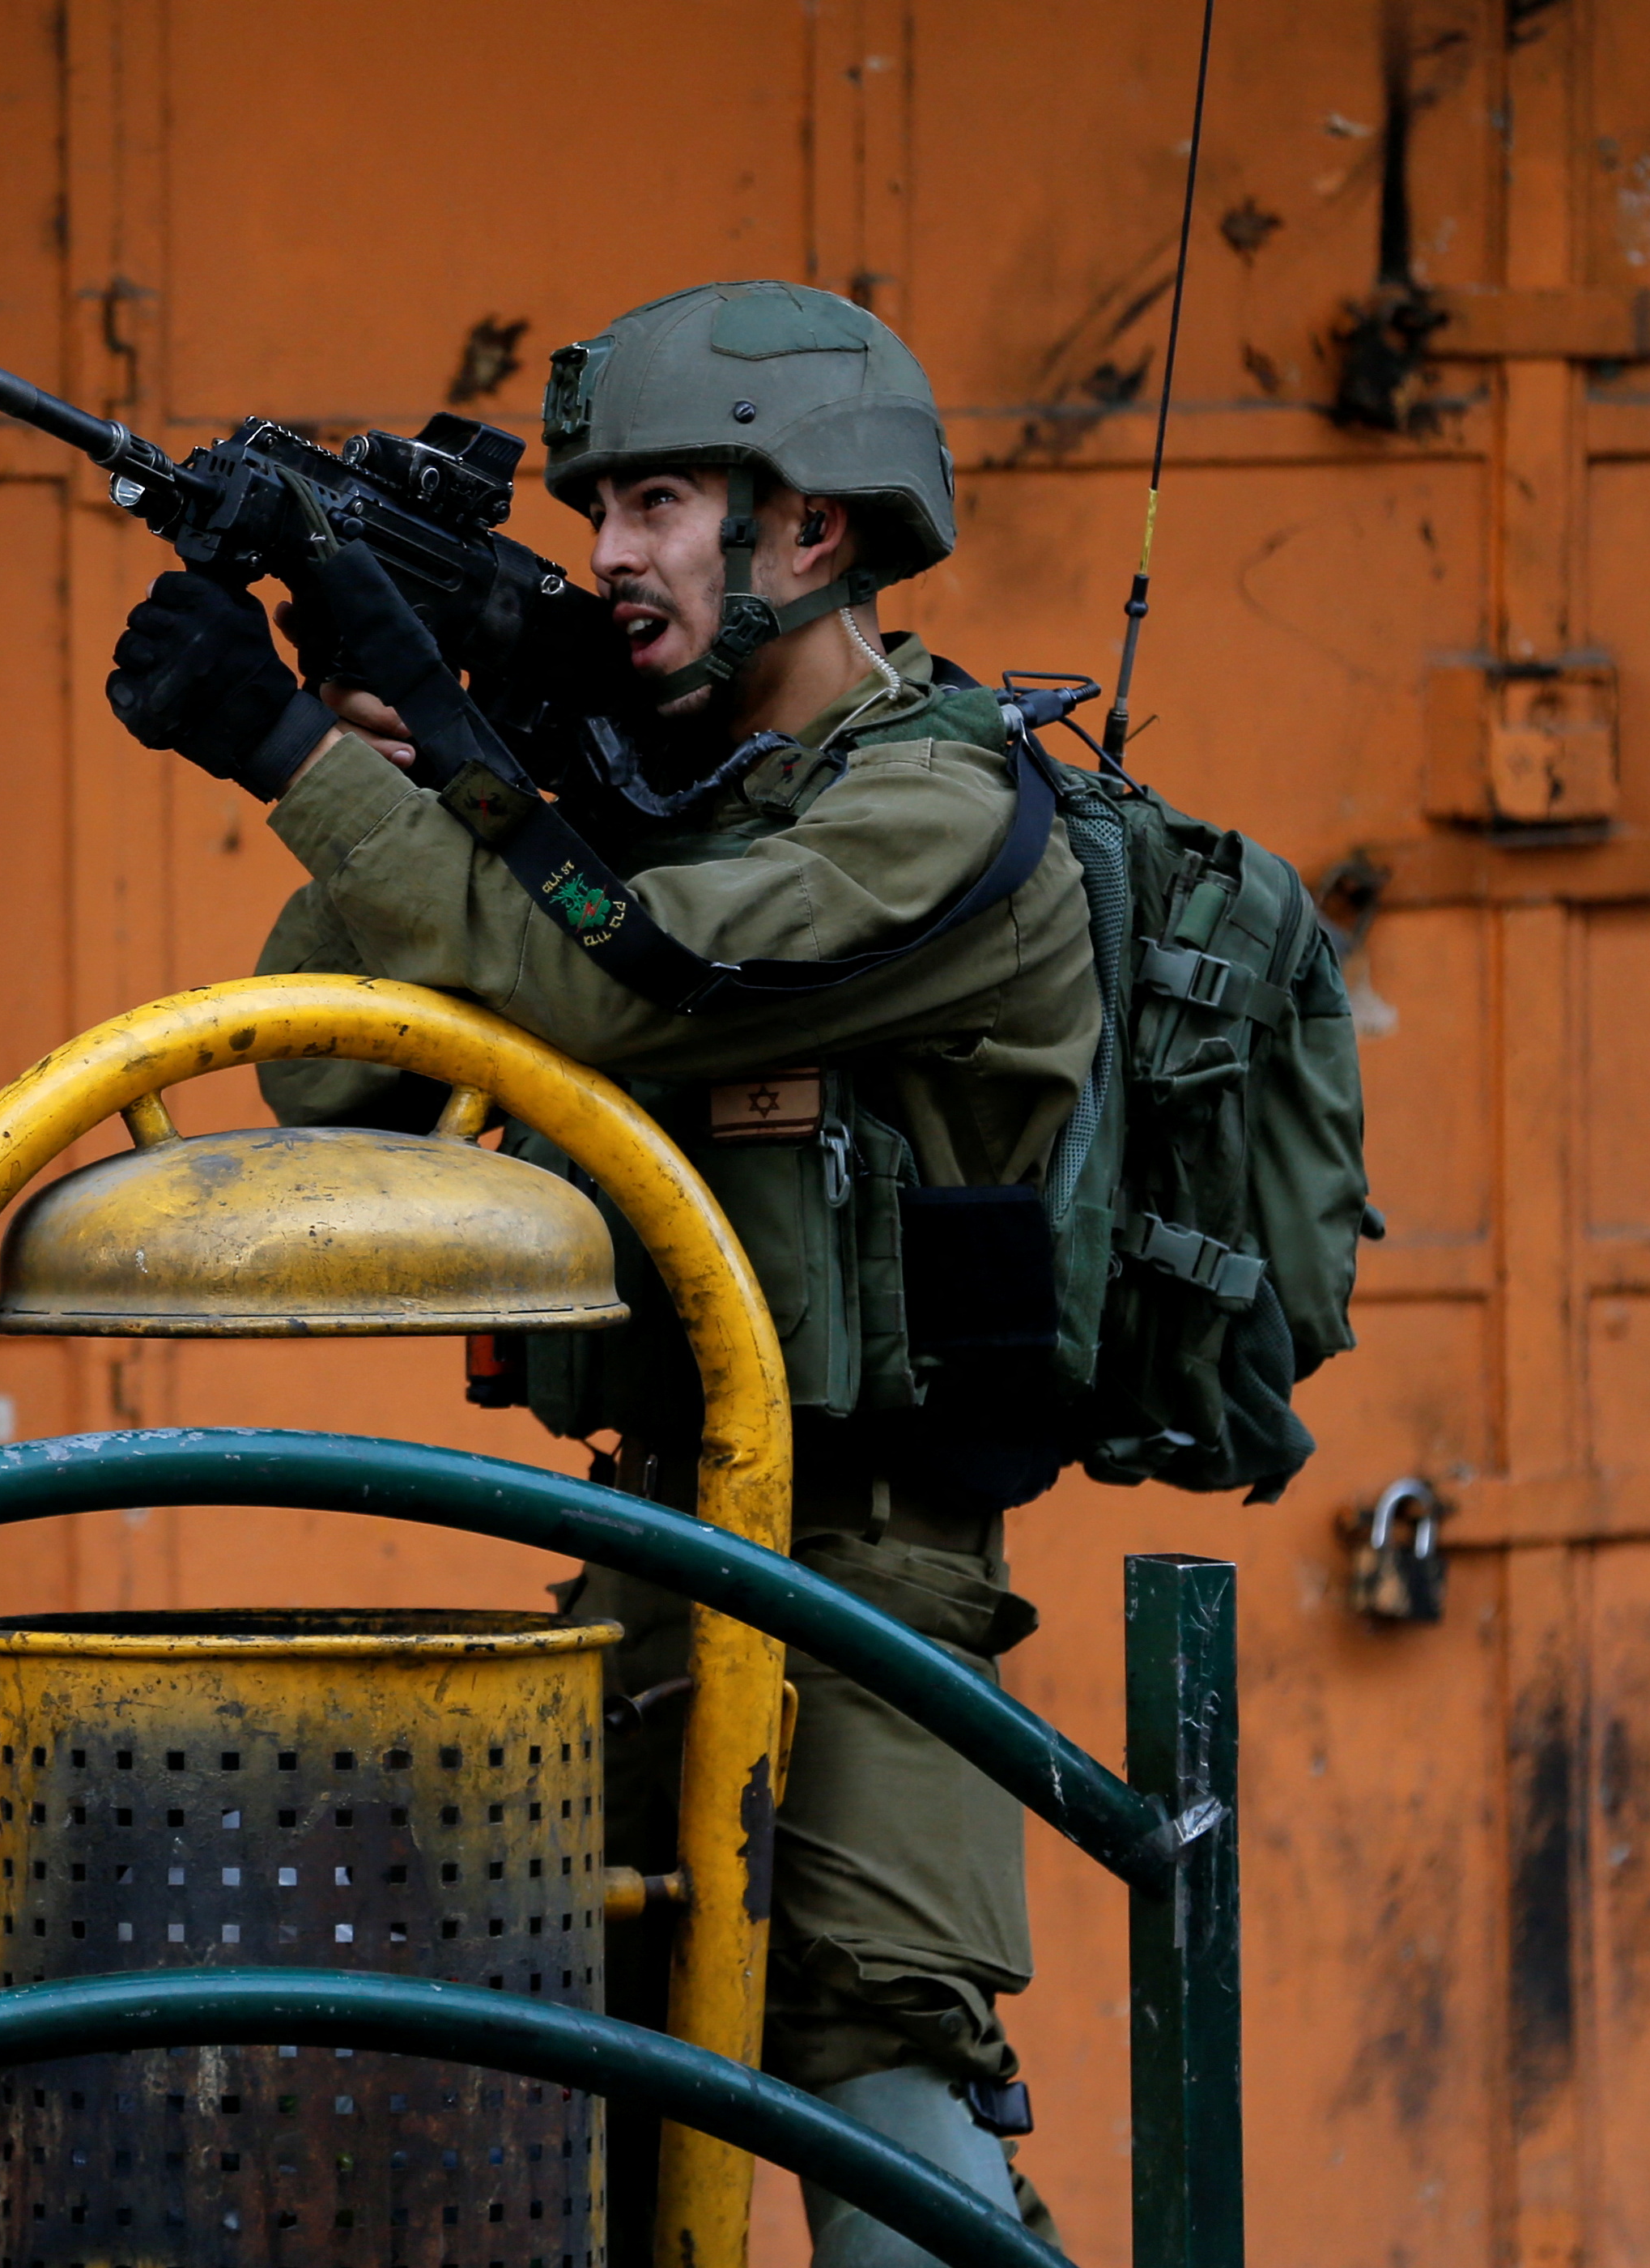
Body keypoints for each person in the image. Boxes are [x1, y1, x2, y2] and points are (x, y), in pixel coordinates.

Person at [100, 281, 1091, 2266]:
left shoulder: (937, 807)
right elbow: (336, 1069)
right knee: (593, 2098)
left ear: (810, 529)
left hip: (865, 1575)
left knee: (873, 2073)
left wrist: (298, 756)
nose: (608, 553)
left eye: (656, 503)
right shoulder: (661, 797)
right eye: (595, 511)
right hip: (654, 1543)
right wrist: (417, 766)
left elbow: (616, 987)